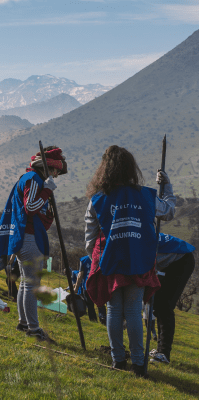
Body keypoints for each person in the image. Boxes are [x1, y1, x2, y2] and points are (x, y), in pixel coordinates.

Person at [84, 145, 175, 377]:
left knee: (114, 309)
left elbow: (89, 238)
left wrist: (98, 260)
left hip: (110, 260)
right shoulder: (145, 195)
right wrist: (167, 187)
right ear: (130, 168)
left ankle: (118, 360)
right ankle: (137, 363)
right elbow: (168, 212)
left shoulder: (97, 199)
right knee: (133, 310)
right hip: (138, 259)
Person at [0, 146, 67, 341]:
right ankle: (33, 329)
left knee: (26, 284)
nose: (56, 175)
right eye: (55, 171)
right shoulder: (33, 179)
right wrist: (47, 192)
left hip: (24, 237)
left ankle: (23, 323)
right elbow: (31, 207)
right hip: (28, 238)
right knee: (32, 285)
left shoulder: (29, 179)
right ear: (48, 167)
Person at [150, 233, 195, 364]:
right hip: (171, 262)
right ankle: (160, 350)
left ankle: (164, 354)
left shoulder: (137, 241)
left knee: (165, 306)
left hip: (182, 259)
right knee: (158, 306)